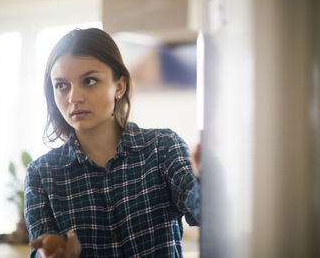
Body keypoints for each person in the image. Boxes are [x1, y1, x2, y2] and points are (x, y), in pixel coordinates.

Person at [24, 28, 200, 258]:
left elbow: (204, 212)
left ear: (119, 86)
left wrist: (205, 178)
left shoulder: (163, 147)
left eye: (89, 80)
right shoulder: (41, 174)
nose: (74, 97)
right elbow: (41, 250)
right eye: (61, 85)